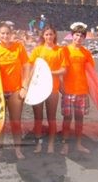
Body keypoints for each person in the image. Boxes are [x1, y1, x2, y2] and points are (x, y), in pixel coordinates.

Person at [0, 22, 31, 160]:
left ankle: (18, 149)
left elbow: (27, 66)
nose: (5, 36)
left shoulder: (19, 48)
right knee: (0, 122)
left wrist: (24, 86)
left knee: (16, 122)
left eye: (7, 33)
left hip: (16, 91)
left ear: (12, 34)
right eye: (2, 33)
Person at [28, 26, 68, 154]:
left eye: (51, 34)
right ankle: (38, 142)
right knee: (38, 117)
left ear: (55, 35)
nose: (49, 37)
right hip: (37, 88)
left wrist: (49, 72)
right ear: (43, 36)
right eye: (46, 34)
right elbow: (31, 68)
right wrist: (27, 85)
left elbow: (64, 69)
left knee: (51, 118)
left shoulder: (60, 50)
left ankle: (51, 144)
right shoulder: (38, 50)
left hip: (53, 88)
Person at [61, 25, 97, 155]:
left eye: (81, 36)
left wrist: (97, 87)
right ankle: (65, 144)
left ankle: (78, 144)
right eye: (76, 35)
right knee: (67, 119)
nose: (78, 38)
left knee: (79, 119)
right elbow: (61, 70)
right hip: (68, 91)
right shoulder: (65, 50)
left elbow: (91, 73)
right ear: (72, 35)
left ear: (84, 38)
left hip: (82, 91)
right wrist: (61, 87)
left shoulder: (86, 53)